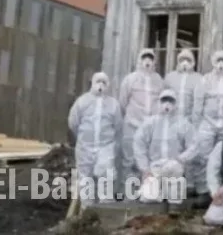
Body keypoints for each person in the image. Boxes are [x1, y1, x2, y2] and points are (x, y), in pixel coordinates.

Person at [132, 89, 197, 210]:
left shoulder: (183, 124)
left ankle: (173, 203)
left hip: (174, 166)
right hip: (155, 167)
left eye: (170, 101)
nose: (167, 104)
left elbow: (194, 145)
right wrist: (145, 168)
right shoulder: (150, 123)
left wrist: (181, 158)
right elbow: (139, 143)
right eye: (164, 101)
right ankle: (160, 191)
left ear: (175, 104)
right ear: (159, 103)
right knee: (147, 197)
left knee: (174, 172)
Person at [191, 49, 223, 207]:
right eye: (218, 60)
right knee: (203, 157)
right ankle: (204, 192)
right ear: (213, 62)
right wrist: (196, 126)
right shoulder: (205, 80)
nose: (221, 64)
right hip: (207, 122)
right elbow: (198, 105)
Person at [68, 71, 123, 208]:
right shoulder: (82, 101)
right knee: (85, 178)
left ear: (108, 85)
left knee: (106, 178)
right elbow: (73, 122)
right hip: (85, 147)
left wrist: (110, 144)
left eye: (104, 82)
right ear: (92, 83)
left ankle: (105, 211)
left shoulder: (113, 104)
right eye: (98, 81)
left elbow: (118, 126)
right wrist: (83, 137)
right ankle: (86, 211)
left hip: (105, 147)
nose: (101, 85)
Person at [118, 48, 165, 184]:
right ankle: (128, 191)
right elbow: (123, 101)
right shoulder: (130, 79)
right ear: (140, 60)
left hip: (151, 127)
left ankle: (145, 191)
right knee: (129, 158)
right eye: (145, 58)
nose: (147, 61)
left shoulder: (159, 80)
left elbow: (162, 101)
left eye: (150, 58)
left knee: (148, 158)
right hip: (132, 124)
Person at [164, 48, 206, 195]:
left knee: (190, 152)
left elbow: (198, 101)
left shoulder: (198, 78)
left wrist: (195, 121)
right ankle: (171, 183)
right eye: (182, 60)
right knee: (172, 150)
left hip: (189, 120)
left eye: (188, 60)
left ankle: (189, 183)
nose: (185, 63)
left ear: (193, 62)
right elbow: (165, 98)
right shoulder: (170, 77)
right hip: (172, 120)